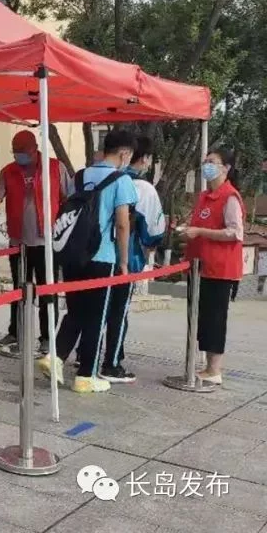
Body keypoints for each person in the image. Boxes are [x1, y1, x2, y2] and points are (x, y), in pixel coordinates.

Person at [40, 130, 137, 394]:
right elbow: (122, 224)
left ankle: (55, 356)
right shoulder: (122, 180)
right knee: (96, 317)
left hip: (74, 255)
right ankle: (86, 376)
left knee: (75, 311)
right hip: (102, 257)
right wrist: (124, 262)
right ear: (124, 153)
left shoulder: (80, 176)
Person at [0, 130, 72, 356]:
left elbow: (68, 199)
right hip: (18, 242)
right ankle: (16, 333)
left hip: (46, 243)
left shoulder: (55, 168)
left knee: (47, 292)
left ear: (34, 150)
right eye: (16, 152)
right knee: (19, 290)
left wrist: (63, 229)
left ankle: (47, 338)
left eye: (22, 152)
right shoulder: (8, 171)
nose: (19, 156)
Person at [101, 136, 166, 383]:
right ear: (144, 158)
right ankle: (112, 363)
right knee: (119, 312)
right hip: (125, 258)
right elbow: (154, 231)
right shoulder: (142, 188)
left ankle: (87, 356)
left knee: (97, 309)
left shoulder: (102, 177)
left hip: (97, 255)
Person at [180, 146, 244, 386]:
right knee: (201, 318)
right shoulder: (205, 196)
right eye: (205, 161)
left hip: (219, 269)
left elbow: (234, 232)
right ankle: (206, 366)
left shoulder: (230, 197)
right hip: (199, 267)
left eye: (212, 161)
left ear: (225, 168)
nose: (206, 165)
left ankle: (214, 369)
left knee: (215, 319)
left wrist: (200, 232)